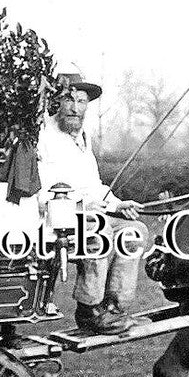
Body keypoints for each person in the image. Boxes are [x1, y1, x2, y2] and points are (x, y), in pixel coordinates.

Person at [38, 76, 145, 335]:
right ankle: (89, 309)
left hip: (87, 213)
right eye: (69, 100)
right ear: (57, 101)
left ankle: (114, 309)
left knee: (135, 231)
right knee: (101, 233)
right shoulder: (43, 134)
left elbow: (94, 185)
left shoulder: (82, 138)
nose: (75, 108)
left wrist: (118, 205)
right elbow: (44, 189)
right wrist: (86, 206)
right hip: (55, 216)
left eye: (81, 101)